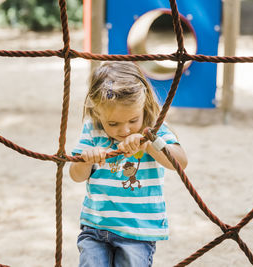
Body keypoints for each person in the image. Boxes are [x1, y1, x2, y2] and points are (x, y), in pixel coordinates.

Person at [69, 61, 188, 267]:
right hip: (95, 226)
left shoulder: (153, 128)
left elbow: (181, 161)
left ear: (143, 106)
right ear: (98, 113)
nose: (124, 130)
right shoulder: (93, 129)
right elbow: (76, 175)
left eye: (133, 120)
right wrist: (87, 159)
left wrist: (149, 144)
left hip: (138, 230)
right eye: (113, 123)